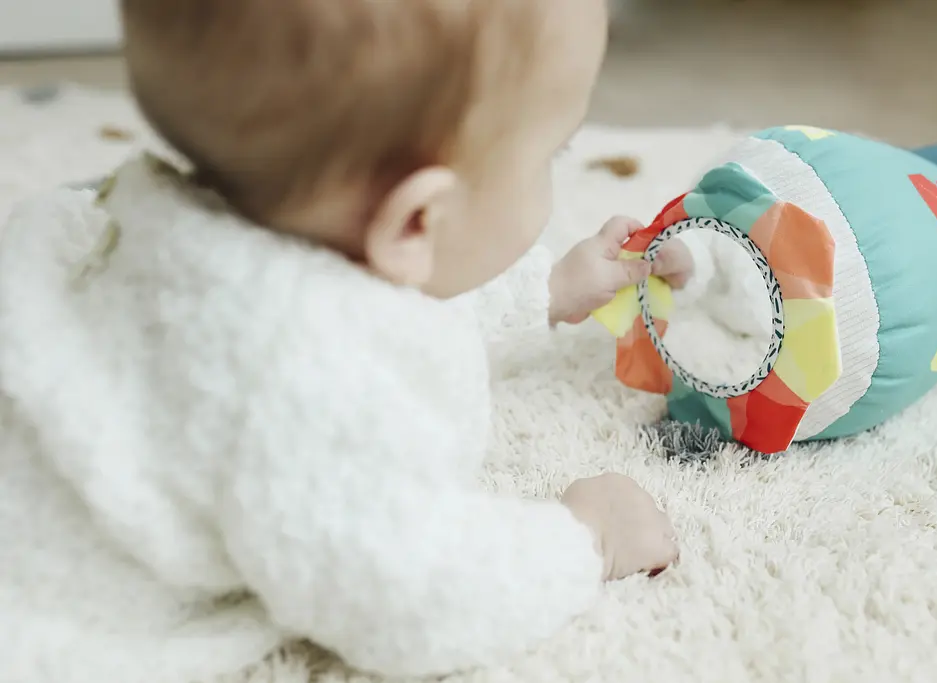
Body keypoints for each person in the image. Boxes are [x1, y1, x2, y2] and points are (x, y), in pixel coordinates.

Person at [0, 1, 693, 680]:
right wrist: (585, 540)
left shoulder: (211, 227)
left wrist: (548, 285)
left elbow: (392, 291)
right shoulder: (291, 388)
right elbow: (411, 594)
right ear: (417, 221)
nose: (555, 172)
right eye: (552, 153)